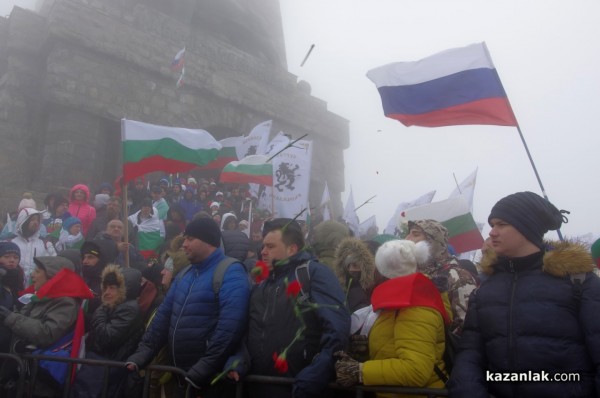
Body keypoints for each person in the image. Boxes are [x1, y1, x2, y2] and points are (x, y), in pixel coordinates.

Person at [448, 191, 600, 398]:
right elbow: (470, 354)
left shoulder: (578, 281)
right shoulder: (486, 286)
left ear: (527, 227)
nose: (492, 232)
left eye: (501, 224)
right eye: (492, 224)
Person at [126, 218, 250, 397]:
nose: (184, 244)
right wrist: (143, 353)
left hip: (209, 382)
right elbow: (163, 316)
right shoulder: (185, 273)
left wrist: (205, 366)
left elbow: (231, 325)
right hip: (182, 377)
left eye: (190, 239)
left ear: (208, 240)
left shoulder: (231, 271)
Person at [242, 218, 350, 398]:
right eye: (263, 247)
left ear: (291, 249)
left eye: (270, 247)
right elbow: (246, 330)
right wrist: (239, 359)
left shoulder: (313, 273)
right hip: (257, 385)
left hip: (298, 387)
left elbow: (337, 328)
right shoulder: (261, 285)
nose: (263, 252)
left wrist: (316, 374)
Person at [335, 240, 450, 393]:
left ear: (383, 271)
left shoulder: (416, 306)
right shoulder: (399, 299)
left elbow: (415, 371)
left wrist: (360, 371)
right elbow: (391, 346)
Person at [0, 256, 93, 396]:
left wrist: (10, 317)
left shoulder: (66, 302)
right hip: (20, 369)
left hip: (40, 379)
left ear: (52, 276)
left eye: (37, 271)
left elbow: (47, 333)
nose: (32, 275)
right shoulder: (39, 298)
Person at [71, 265, 144, 398]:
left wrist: (100, 309)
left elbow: (106, 337)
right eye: (106, 287)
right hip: (100, 368)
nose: (106, 292)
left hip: (109, 370)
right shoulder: (113, 306)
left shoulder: (130, 309)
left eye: (113, 288)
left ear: (124, 290)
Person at [405, 219, 477, 334]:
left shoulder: (457, 276)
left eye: (415, 234)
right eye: (408, 234)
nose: (407, 239)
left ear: (433, 241)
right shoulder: (410, 273)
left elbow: (467, 324)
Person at [11, 207, 56, 287]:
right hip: (13, 288)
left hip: (35, 290)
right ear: (23, 221)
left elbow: (52, 266)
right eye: (32, 220)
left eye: (38, 220)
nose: (36, 223)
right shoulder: (11, 243)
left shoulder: (45, 244)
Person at [333, 237, 375, 313]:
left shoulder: (373, 289)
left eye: (355, 265)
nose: (351, 269)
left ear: (365, 267)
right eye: (348, 266)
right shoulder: (341, 289)